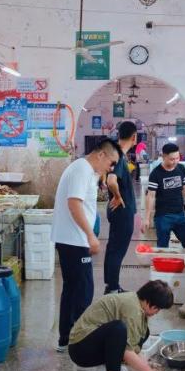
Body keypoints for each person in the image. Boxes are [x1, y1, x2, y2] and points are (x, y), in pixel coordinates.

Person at [52, 138, 121, 352]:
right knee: (83, 290)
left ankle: (67, 338)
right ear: (101, 155)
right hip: (75, 240)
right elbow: (74, 204)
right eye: (111, 163)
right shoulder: (81, 169)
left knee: (73, 289)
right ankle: (77, 339)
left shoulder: (86, 171)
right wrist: (90, 235)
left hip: (71, 239)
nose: (111, 168)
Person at [68, 280, 173, 371]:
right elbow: (126, 350)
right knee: (117, 329)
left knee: (144, 332)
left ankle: (107, 367)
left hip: (91, 343)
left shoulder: (137, 303)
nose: (156, 313)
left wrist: (145, 366)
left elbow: (133, 345)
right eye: (157, 309)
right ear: (149, 302)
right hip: (80, 349)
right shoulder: (132, 309)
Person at [103, 122, 138, 295]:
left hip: (118, 211)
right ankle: (113, 288)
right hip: (122, 212)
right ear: (134, 137)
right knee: (117, 250)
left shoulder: (116, 154)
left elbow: (106, 179)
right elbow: (110, 181)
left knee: (113, 248)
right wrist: (117, 196)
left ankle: (111, 285)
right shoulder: (119, 155)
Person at [143, 143, 185, 249]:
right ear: (163, 157)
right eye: (172, 159)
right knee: (162, 247)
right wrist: (147, 218)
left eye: (177, 158)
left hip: (180, 215)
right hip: (163, 217)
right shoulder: (156, 173)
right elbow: (151, 196)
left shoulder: (181, 168)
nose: (175, 161)